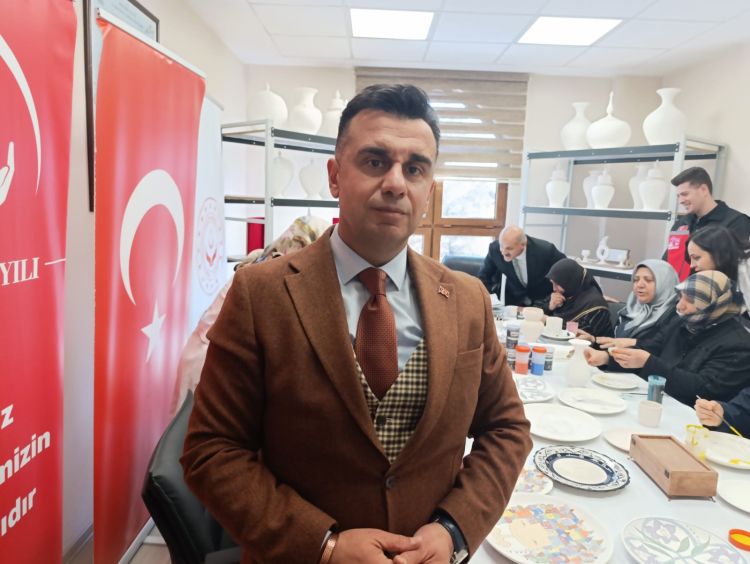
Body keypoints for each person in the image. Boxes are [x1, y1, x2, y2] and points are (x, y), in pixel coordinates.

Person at [181, 84, 532, 564]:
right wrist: (323, 546)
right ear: (335, 176)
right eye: (374, 161)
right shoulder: (260, 294)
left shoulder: (468, 300)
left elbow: (507, 429)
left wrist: (454, 529)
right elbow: (211, 450)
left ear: (429, 190)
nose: (396, 183)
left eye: (415, 168)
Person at [169, 215, 331, 418]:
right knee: (196, 428)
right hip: (209, 365)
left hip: (203, 359)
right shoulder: (266, 278)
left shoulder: (262, 262)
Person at [586, 270, 750, 407]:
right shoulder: (685, 323)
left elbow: (703, 389)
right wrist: (606, 358)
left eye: (690, 300)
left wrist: (648, 362)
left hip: (695, 419)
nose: (679, 306)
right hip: (661, 401)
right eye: (681, 297)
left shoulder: (738, 345)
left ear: (714, 304)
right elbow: (650, 348)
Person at [663, 166, 750, 279]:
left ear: (703, 189)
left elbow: (735, 268)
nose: (680, 201)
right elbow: (667, 261)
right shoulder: (681, 223)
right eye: (678, 196)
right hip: (676, 289)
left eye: (685, 194)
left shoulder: (736, 221)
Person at [577, 260, 679, 354]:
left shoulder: (674, 318)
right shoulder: (629, 311)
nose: (640, 285)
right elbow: (614, 344)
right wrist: (593, 340)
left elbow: (658, 352)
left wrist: (630, 344)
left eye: (648, 280)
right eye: (636, 280)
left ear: (666, 283)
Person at [477, 226, 566, 306]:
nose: (503, 252)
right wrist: (487, 300)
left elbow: (566, 272)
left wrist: (557, 295)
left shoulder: (546, 250)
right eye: (501, 246)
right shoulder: (495, 249)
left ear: (523, 244)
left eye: (509, 248)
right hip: (513, 302)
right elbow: (484, 275)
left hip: (543, 302)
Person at [686, 225, 750, 321]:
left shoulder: (746, 268)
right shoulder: (720, 277)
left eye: (696, 258)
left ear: (718, 253)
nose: (692, 265)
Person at [544, 258, 613, 338]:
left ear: (570, 281)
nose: (554, 288)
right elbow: (536, 309)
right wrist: (549, 307)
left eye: (557, 284)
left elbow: (581, 332)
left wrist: (548, 321)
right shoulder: (565, 294)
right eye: (552, 283)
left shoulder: (596, 305)